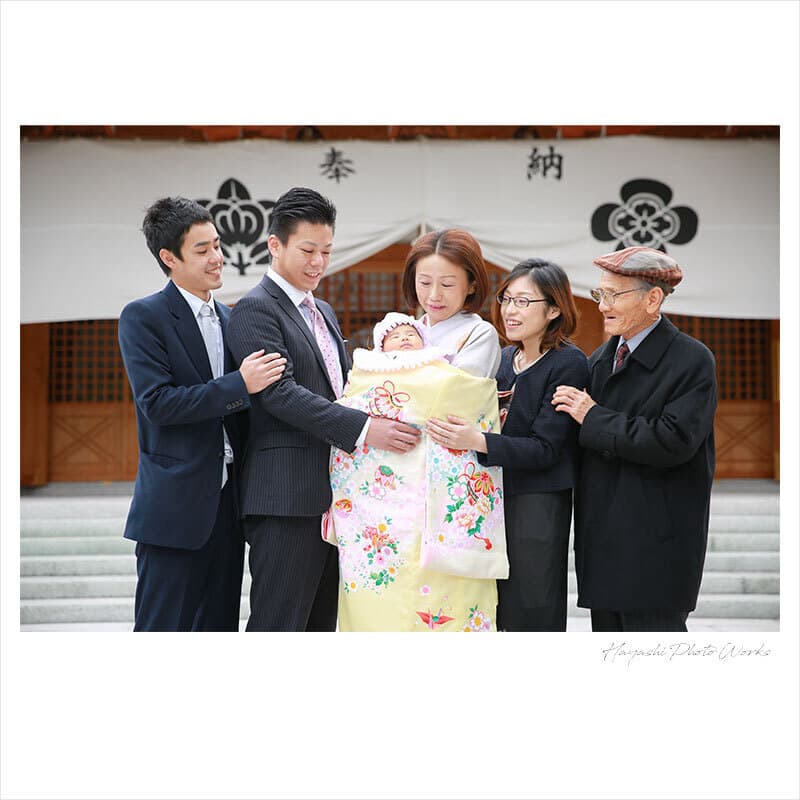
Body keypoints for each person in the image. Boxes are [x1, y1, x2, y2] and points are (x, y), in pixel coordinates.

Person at [225, 187, 421, 632]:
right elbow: (279, 394)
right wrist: (366, 428)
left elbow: (340, 387)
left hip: (335, 495)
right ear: (274, 245)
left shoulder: (324, 310)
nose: (318, 262)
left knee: (319, 626)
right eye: (308, 250)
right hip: (286, 496)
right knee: (279, 623)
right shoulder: (255, 310)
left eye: (327, 251)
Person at [118, 196, 286, 631]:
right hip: (173, 512)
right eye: (202, 249)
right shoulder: (143, 317)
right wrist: (239, 385)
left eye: (217, 245)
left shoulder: (234, 318)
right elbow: (158, 403)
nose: (217, 258)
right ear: (169, 257)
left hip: (230, 511)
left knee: (219, 630)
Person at [551, 246, 717, 633]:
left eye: (614, 295)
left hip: (657, 541)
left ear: (653, 298)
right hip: (603, 540)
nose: (603, 305)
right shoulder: (598, 361)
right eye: (600, 294)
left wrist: (593, 416)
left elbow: (673, 440)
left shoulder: (691, 360)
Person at [428, 259, 589, 631]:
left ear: (553, 309)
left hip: (538, 502)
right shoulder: (503, 359)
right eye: (507, 299)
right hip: (493, 498)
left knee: (532, 601)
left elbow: (547, 449)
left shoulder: (569, 363)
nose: (510, 311)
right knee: (492, 604)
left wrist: (478, 440)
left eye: (523, 302)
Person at [326, 312, 508, 632]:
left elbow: (465, 395)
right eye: (395, 336)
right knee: (380, 584)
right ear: (380, 346)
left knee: (441, 587)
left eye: (411, 333)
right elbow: (351, 405)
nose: (405, 339)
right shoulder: (367, 370)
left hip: (429, 493)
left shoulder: (442, 363)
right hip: (379, 503)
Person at [401, 228, 501, 379]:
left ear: (472, 286)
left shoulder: (479, 334)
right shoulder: (407, 331)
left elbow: (457, 392)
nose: (434, 296)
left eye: (447, 284)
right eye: (425, 282)